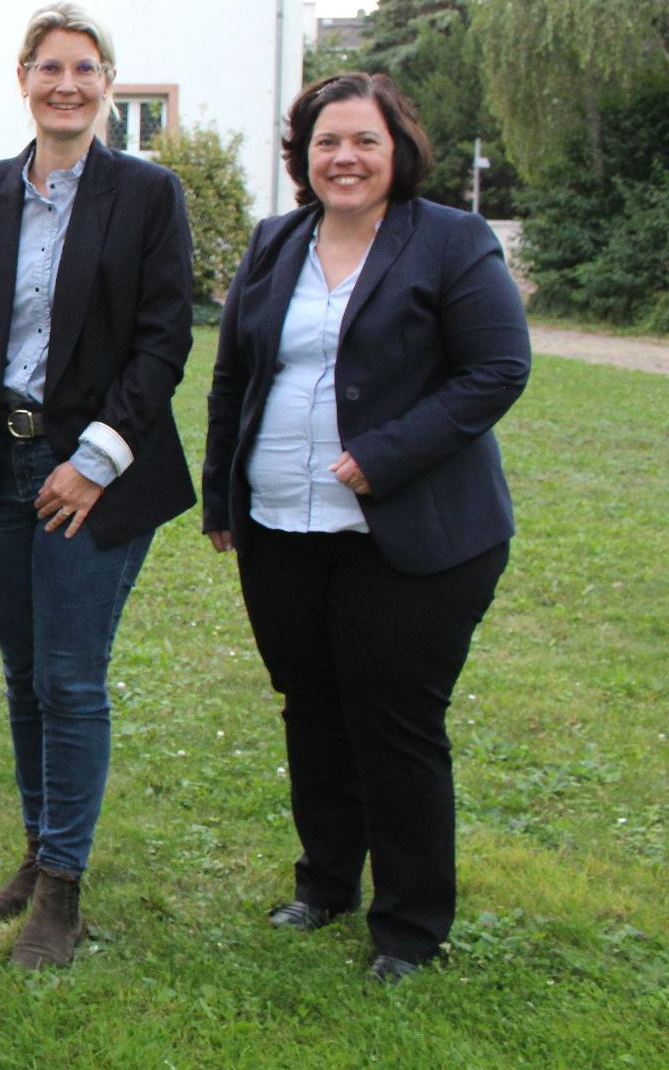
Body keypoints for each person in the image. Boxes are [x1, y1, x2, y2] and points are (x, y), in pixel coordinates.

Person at [202, 72, 530, 984]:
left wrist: (387, 452)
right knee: (311, 710)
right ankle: (326, 884)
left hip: (413, 534)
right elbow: (234, 377)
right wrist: (222, 498)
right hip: (281, 523)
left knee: (394, 721)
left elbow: (499, 368)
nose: (344, 158)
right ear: (304, 158)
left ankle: (411, 926)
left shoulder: (451, 241)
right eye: (325, 142)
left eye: (364, 141)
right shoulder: (275, 243)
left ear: (398, 150)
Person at [0, 3, 194, 969]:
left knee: (72, 678)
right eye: (48, 67)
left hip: (99, 472)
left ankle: (64, 897)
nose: (65, 84)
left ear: (108, 83)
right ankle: (39, 858)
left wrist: (97, 460)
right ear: (24, 80)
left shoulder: (148, 196)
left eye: (84, 68)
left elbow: (166, 342)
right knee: (25, 675)